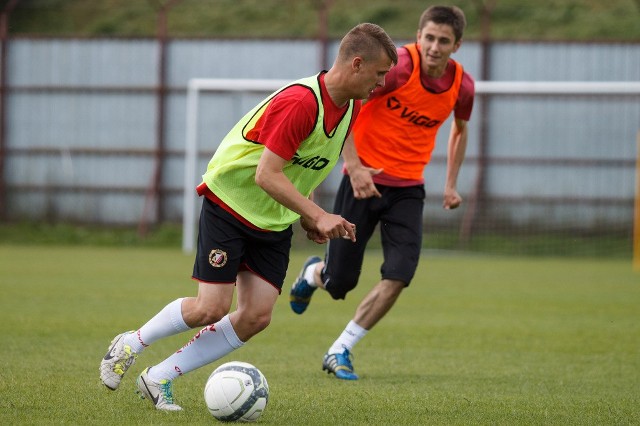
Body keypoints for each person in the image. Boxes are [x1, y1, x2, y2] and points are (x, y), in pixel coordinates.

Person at [99, 23, 397, 411]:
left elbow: (298, 163)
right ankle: (130, 343)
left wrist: (306, 211)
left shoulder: (351, 107)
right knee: (211, 307)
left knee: (256, 316)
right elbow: (266, 173)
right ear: (357, 64)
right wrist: (318, 213)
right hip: (231, 204)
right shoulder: (302, 102)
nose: (382, 83)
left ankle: (159, 378)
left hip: (272, 217)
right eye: (379, 74)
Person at [289, 5, 475, 380]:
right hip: (364, 183)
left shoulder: (462, 85)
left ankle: (341, 348)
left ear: (457, 45)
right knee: (341, 282)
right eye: (429, 38)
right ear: (419, 36)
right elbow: (350, 105)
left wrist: (451, 183)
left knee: (399, 274)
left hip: (408, 190)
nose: (434, 47)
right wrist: (354, 167)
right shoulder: (398, 69)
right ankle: (315, 275)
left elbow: (459, 129)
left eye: (443, 40)